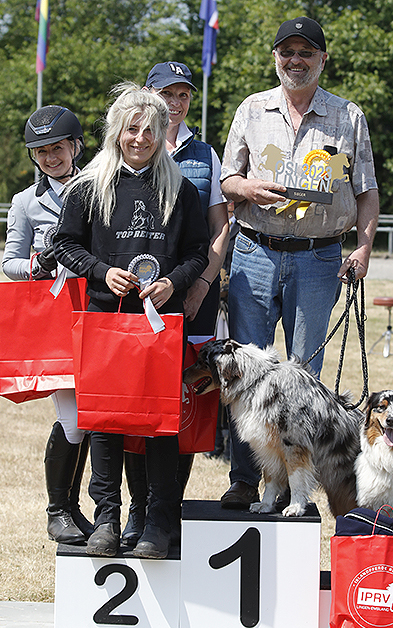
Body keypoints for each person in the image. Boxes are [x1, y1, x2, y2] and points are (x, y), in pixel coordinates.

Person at [218, 16, 380, 509]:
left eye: (305, 52)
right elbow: (226, 181)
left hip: (319, 258)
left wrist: (365, 245)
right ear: (275, 58)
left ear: (322, 59)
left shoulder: (348, 116)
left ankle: (298, 483)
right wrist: (246, 188)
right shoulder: (251, 110)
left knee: (305, 375)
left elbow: (367, 192)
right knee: (244, 371)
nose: (295, 60)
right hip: (255, 252)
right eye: (286, 52)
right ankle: (247, 478)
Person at [53, 83, 209, 558]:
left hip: (160, 323)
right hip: (104, 317)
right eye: (131, 128)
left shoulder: (180, 187)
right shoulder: (88, 186)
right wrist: (102, 271)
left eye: (150, 129)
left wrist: (172, 284)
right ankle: (106, 518)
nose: (140, 138)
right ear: (117, 131)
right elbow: (64, 244)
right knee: (104, 422)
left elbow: (197, 253)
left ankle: (158, 523)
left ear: (165, 132)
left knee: (160, 424)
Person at [113, 61, 231, 551]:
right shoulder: (132, 145)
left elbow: (220, 225)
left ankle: (170, 508)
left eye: (184, 93)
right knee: (133, 402)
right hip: (135, 301)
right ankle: (138, 507)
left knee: (184, 402)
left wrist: (204, 281)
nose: (176, 102)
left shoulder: (205, 154)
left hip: (193, 294)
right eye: (166, 93)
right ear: (149, 95)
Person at [2, 106, 92, 544]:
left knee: (95, 418)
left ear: (75, 146)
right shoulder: (24, 202)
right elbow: (10, 261)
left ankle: (76, 506)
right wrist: (38, 264)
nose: (50, 158)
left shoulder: (99, 187)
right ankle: (57, 509)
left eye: (57, 148)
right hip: (58, 316)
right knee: (74, 418)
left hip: (101, 308)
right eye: (41, 151)